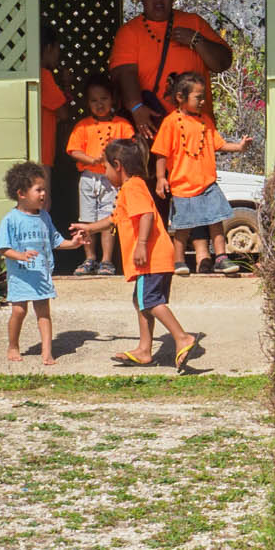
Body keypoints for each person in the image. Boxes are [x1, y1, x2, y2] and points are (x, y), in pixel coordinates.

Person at [72, 137, 201, 371]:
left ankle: (181, 337)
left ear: (118, 165)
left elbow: (146, 215)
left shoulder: (133, 187)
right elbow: (114, 219)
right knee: (140, 300)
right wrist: (89, 227)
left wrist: (141, 244)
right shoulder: (130, 188)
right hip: (155, 257)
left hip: (151, 257)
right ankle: (143, 350)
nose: (106, 173)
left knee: (150, 301)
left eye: (106, 168)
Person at [109, 0, 229, 137]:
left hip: (194, 127)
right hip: (152, 125)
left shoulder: (194, 22)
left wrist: (196, 40)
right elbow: (123, 73)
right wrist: (137, 108)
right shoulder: (129, 31)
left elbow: (223, 63)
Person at [159, 69, 254, 274]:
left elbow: (218, 144)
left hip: (208, 184)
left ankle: (221, 257)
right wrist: (160, 178)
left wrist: (239, 147)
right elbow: (160, 153)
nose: (203, 102)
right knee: (182, 228)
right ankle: (179, 261)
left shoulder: (205, 121)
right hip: (182, 185)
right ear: (180, 97)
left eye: (204, 98)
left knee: (216, 221)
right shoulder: (170, 123)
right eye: (198, 97)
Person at [0, 162, 77, 365]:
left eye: (44, 190)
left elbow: (55, 241)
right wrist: (20, 256)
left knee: (44, 313)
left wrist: (74, 243)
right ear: (21, 193)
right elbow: (2, 248)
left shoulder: (44, 217)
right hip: (20, 277)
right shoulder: (11, 219)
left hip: (41, 277)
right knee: (19, 311)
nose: (43, 194)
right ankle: (13, 345)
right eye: (38, 190)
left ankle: (47, 352)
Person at [63, 79, 137, 274]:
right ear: (88, 103)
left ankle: (106, 260)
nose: (100, 103)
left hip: (111, 179)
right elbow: (73, 150)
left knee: (107, 219)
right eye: (94, 100)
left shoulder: (122, 124)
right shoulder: (83, 126)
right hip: (89, 177)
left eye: (104, 98)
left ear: (113, 99)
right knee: (87, 219)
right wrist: (92, 160)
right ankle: (89, 258)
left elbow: (131, 146)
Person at [37, 26, 68, 170]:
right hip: (43, 152)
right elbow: (63, 112)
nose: (58, 55)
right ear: (49, 48)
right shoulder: (44, 76)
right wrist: (66, 84)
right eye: (57, 50)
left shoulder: (37, 75)